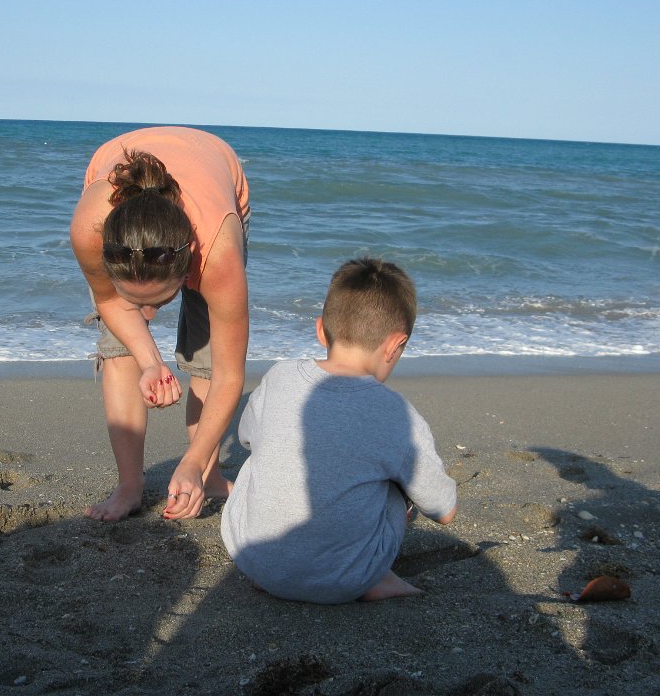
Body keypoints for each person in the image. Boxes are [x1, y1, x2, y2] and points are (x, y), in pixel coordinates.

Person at [221, 258, 458, 603]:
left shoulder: (278, 377)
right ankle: (380, 578)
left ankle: (281, 570)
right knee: (396, 485)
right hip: (346, 580)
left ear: (321, 330)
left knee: (263, 455)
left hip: (255, 561)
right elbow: (444, 511)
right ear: (395, 345)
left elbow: (245, 437)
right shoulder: (396, 413)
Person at [70, 126, 250, 521]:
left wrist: (193, 461)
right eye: (135, 302)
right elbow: (109, 301)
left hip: (215, 176)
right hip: (118, 171)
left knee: (207, 358)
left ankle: (208, 475)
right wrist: (149, 361)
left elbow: (228, 375)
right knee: (119, 347)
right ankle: (128, 487)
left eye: (160, 301)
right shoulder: (90, 230)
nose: (148, 313)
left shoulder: (218, 256)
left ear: (188, 270)